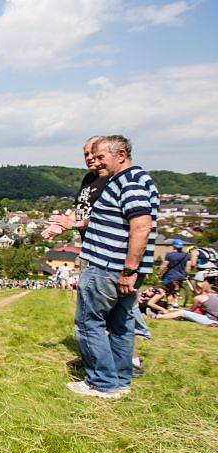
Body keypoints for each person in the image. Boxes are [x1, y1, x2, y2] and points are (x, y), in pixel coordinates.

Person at [70, 135, 158, 399]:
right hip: (118, 267)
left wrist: (129, 270)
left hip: (108, 265)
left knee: (89, 323)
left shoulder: (129, 181)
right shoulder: (135, 179)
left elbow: (141, 226)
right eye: (93, 157)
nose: (95, 163)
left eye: (100, 158)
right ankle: (120, 380)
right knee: (120, 324)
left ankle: (101, 382)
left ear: (120, 155)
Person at [44, 135, 110, 241]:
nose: (89, 157)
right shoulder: (89, 178)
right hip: (88, 245)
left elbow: (106, 216)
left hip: (106, 245)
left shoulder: (112, 179)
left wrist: (75, 224)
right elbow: (80, 209)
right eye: (86, 154)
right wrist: (62, 225)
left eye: (93, 153)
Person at [158, 239, 190, 306]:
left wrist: (159, 272)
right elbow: (188, 267)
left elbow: (164, 265)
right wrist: (186, 275)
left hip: (170, 275)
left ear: (174, 246)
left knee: (168, 289)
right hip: (181, 276)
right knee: (176, 289)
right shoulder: (187, 255)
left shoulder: (169, 255)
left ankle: (170, 304)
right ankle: (176, 302)